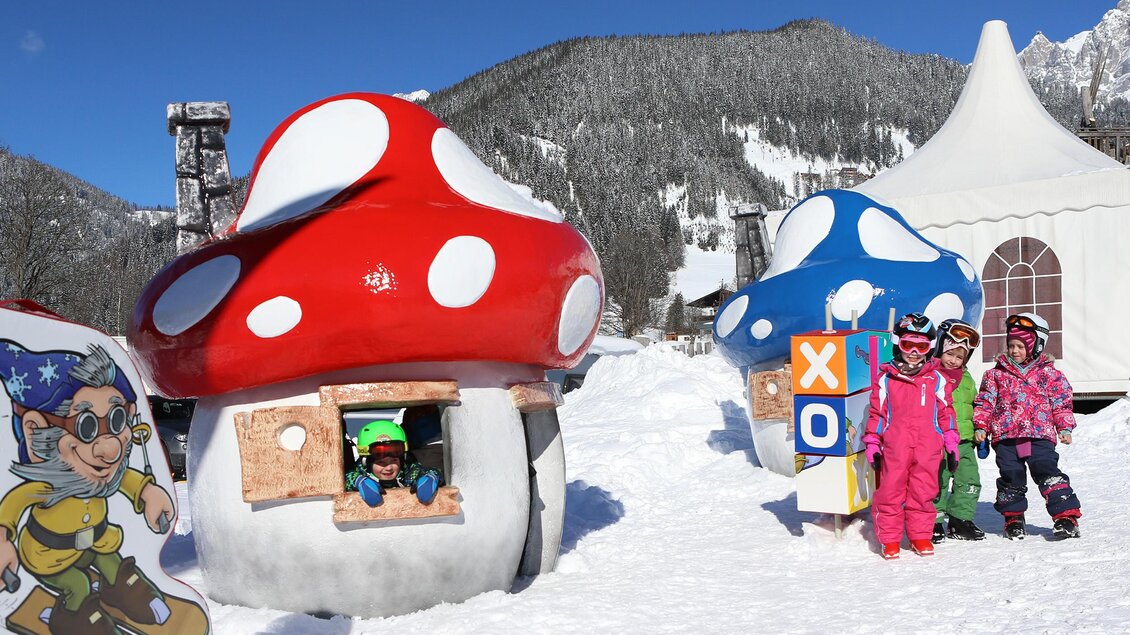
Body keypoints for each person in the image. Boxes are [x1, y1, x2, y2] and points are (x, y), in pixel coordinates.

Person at [973, 313, 1081, 539]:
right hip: (1006, 437)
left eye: (1021, 346)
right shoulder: (995, 375)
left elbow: (1061, 401)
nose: (1014, 351)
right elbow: (985, 401)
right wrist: (981, 425)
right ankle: (1013, 518)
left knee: (1046, 471)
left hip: (1039, 435)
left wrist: (1064, 427)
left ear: (1036, 346)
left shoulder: (1049, 374)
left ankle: (1065, 517)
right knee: (1011, 476)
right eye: (1011, 345)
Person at [863, 312, 958, 560]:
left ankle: (919, 535)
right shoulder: (886, 379)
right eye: (908, 344)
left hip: (928, 446)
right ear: (898, 344)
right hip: (896, 446)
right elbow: (878, 413)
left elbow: (946, 411)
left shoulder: (937, 379)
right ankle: (890, 539)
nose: (914, 351)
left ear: (930, 347)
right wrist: (873, 441)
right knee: (890, 491)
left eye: (921, 346)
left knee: (923, 491)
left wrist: (950, 439)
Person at [931, 319, 986, 542]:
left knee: (969, 480)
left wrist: (980, 430)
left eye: (959, 356)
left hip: (964, 441)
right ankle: (933, 521)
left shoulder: (966, 378)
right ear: (939, 350)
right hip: (939, 441)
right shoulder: (931, 376)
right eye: (950, 354)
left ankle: (960, 520)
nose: (954, 361)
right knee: (938, 482)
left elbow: (975, 404)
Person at [344, 420, 443, 507]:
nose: (389, 468)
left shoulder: (407, 473)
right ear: (366, 463)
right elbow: (347, 478)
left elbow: (423, 472)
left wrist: (431, 477)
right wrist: (358, 482)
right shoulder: (361, 474)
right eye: (381, 463)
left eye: (394, 461)